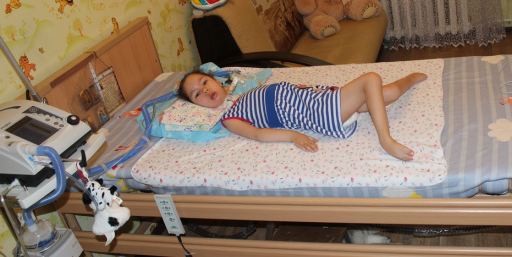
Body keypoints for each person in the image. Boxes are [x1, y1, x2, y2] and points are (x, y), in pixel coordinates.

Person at [179, 69, 427, 161]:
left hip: (319, 98)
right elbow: (258, 135)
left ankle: (410, 79)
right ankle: (385, 139)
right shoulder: (230, 117)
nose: (204, 90)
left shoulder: (240, 92)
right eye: (197, 94)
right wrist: (293, 136)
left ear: (215, 80)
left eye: (204, 82)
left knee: (388, 92)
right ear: (196, 105)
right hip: (318, 112)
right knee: (371, 79)